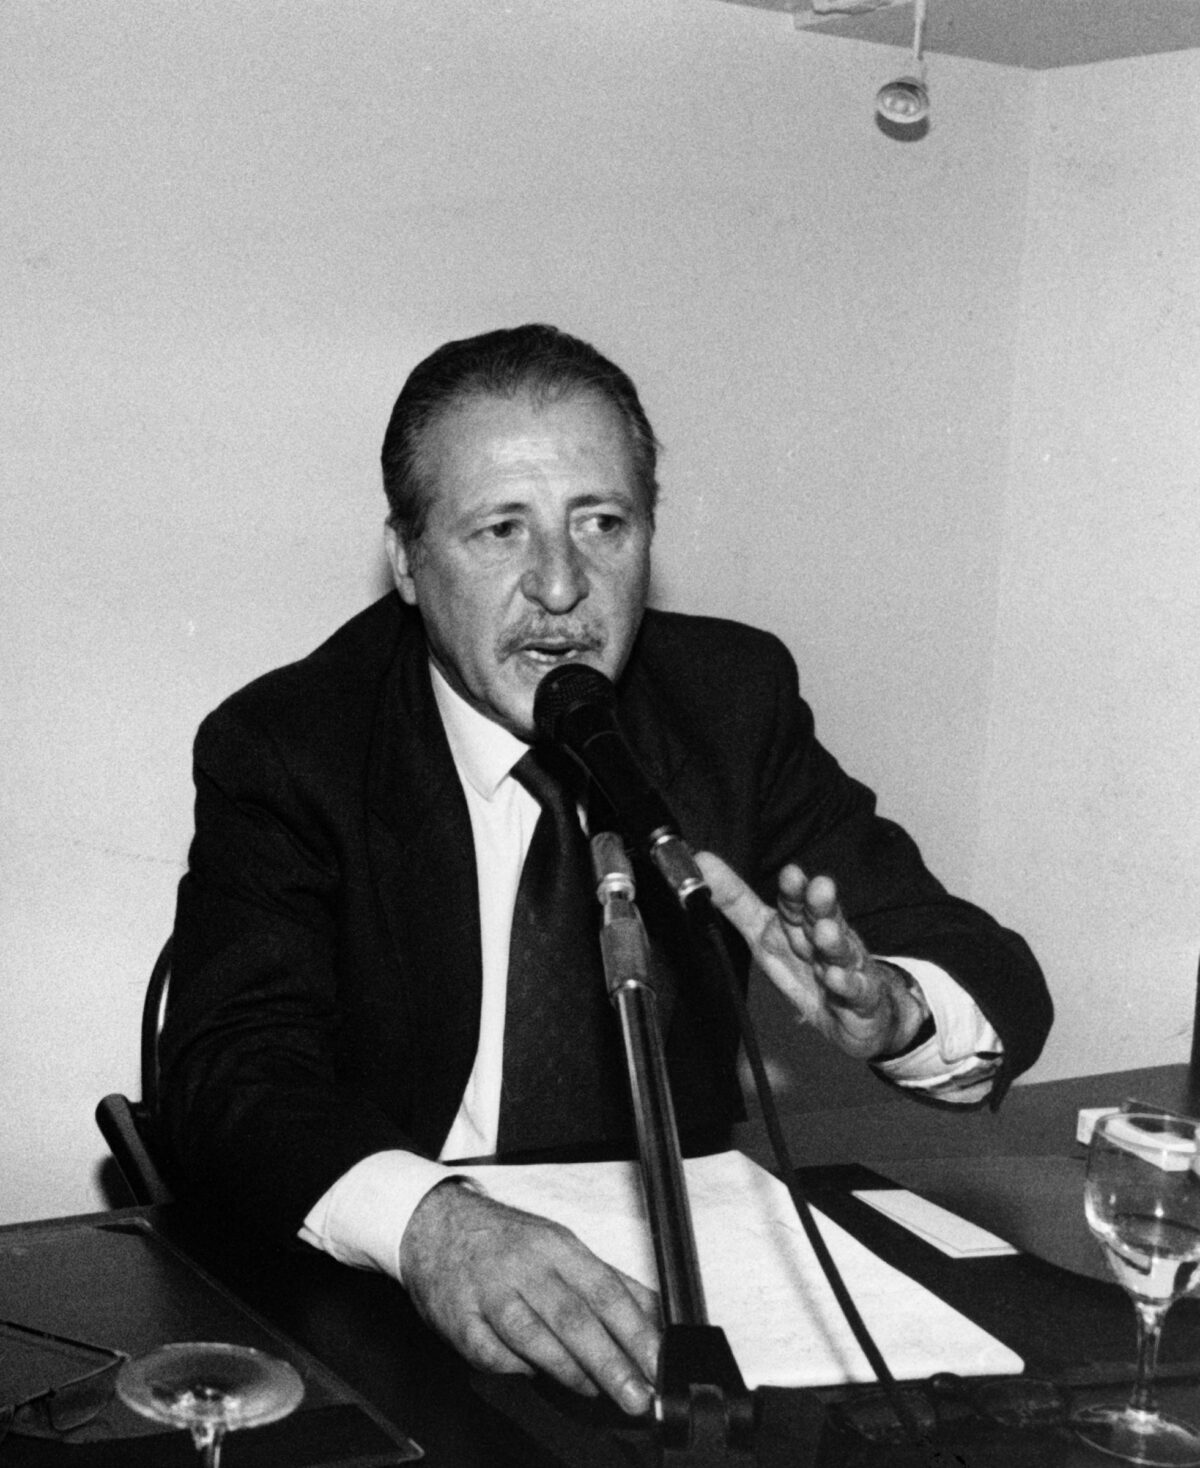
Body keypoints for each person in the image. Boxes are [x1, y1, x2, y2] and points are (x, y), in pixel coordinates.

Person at [160, 323, 1051, 1420]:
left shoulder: (729, 701)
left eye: (602, 523)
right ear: (406, 559)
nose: (560, 585)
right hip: (392, 1296)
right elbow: (231, 1071)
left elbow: (990, 971)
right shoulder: (296, 744)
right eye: (501, 530)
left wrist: (898, 1008)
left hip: (691, 1290)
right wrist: (432, 1224)